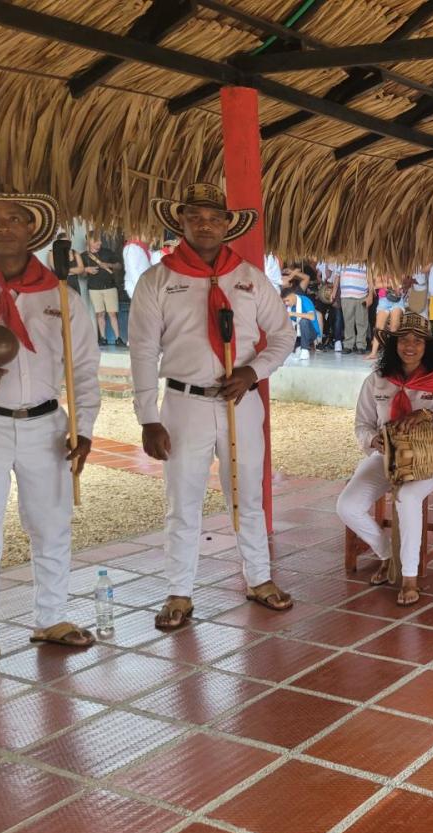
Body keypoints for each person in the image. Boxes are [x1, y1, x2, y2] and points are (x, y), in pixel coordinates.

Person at [0, 188, 101, 678]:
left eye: (14, 217)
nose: (4, 226)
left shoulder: (61, 294)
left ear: (31, 227)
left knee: (52, 523)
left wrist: (85, 428)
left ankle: (51, 617)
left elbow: (84, 369)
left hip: (47, 425)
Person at [130, 182, 295, 631]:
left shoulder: (249, 277)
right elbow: (142, 351)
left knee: (247, 495)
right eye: (195, 217)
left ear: (227, 224)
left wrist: (253, 371)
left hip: (240, 400)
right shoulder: (157, 280)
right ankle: (179, 591)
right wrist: (148, 418)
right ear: (180, 222)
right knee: (183, 500)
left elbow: (283, 335)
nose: (205, 225)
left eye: (214, 217)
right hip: (184, 403)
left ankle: (259, 578)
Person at [337, 313, 433, 605]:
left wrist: (430, 414)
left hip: (429, 460)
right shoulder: (377, 381)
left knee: (407, 497)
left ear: (427, 347)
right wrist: (374, 440)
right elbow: (362, 425)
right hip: (387, 458)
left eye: (418, 341)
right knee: (347, 506)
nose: (410, 346)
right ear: (393, 344)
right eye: (404, 340)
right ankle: (387, 554)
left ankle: (409, 578)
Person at [81, 231, 124, 347]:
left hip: (110, 287)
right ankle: (103, 338)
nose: (99, 243)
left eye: (99, 240)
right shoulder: (83, 256)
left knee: (112, 314)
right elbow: (82, 274)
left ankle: (118, 338)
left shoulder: (107, 252)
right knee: (99, 314)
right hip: (94, 288)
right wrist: (86, 270)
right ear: (89, 241)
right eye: (96, 241)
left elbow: (119, 266)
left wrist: (108, 265)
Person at [337, 262, 369, 354]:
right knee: (348, 322)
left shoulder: (366, 262)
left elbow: (370, 279)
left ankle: (361, 345)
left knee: (362, 322)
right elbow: (337, 276)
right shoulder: (341, 261)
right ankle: (348, 345)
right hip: (346, 295)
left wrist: (370, 294)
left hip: (362, 295)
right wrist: (334, 292)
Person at [284, 284, 319, 359]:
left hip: (311, 333)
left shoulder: (304, 300)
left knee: (303, 321)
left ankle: (305, 350)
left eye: (287, 300)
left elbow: (312, 317)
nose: (286, 303)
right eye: (285, 301)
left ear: (293, 295)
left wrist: (292, 314)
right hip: (297, 335)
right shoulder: (288, 306)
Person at [122, 234, 153, 305]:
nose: (150, 237)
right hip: (137, 287)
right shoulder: (131, 248)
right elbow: (132, 270)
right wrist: (141, 288)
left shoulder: (143, 247)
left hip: (146, 285)